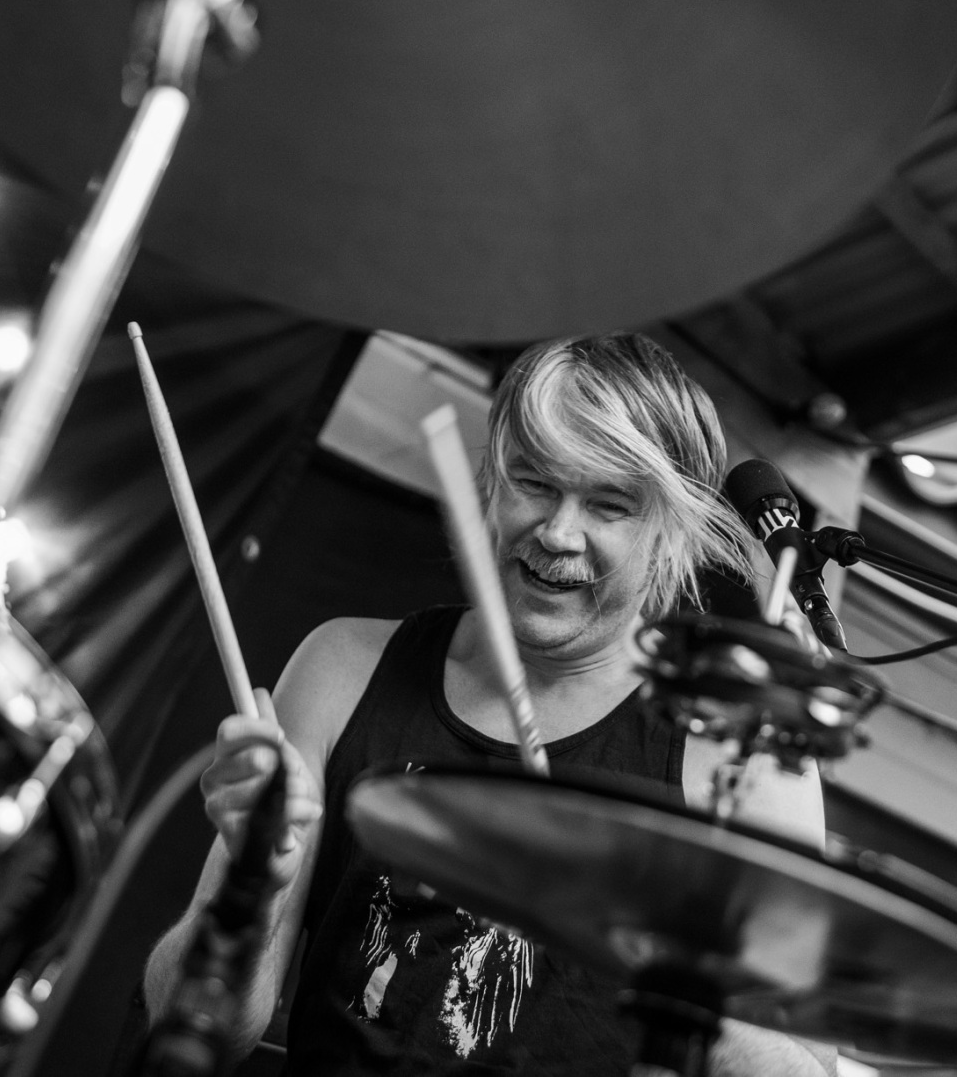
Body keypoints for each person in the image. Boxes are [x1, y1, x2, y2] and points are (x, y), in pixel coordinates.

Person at [146, 333, 834, 1075]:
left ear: (671, 536)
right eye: (534, 482)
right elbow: (199, 1025)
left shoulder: (739, 754)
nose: (558, 533)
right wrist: (252, 887)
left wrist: (655, 965)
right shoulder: (344, 668)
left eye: (609, 505)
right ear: (490, 480)